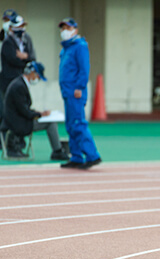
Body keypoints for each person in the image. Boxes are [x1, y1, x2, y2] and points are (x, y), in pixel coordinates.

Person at [1, 61, 68, 159]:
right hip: (17, 123)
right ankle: (57, 151)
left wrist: (38, 113)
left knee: (49, 121)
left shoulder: (19, 83)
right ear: (32, 73)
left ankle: (57, 151)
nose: (38, 79)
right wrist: (40, 114)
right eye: (38, 77)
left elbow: (22, 108)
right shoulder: (19, 86)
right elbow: (24, 111)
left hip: (16, 120)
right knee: (51, 123)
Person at [58, 17, 101, 169]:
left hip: (75, 92)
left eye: (68, 28)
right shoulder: (66, 48)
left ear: (75, 30)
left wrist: (79, 87)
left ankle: (92, 155)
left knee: (78, 124)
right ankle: (76, 156)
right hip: (67, 92)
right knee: (70, 125)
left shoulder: (80, 46)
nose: (64, 31)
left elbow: (84, 68)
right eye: (62, 28)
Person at [0, 14, 36, 121]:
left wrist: (25, 56)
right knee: (6, 112)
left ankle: (17, 137)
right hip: (7, 82)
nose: (21, 29)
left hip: (20, 82)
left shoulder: (26, 39)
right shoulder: (7, 42)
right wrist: (25, 59)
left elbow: (32, 57)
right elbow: (12, 60)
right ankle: (7, 136)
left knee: (20, 110)